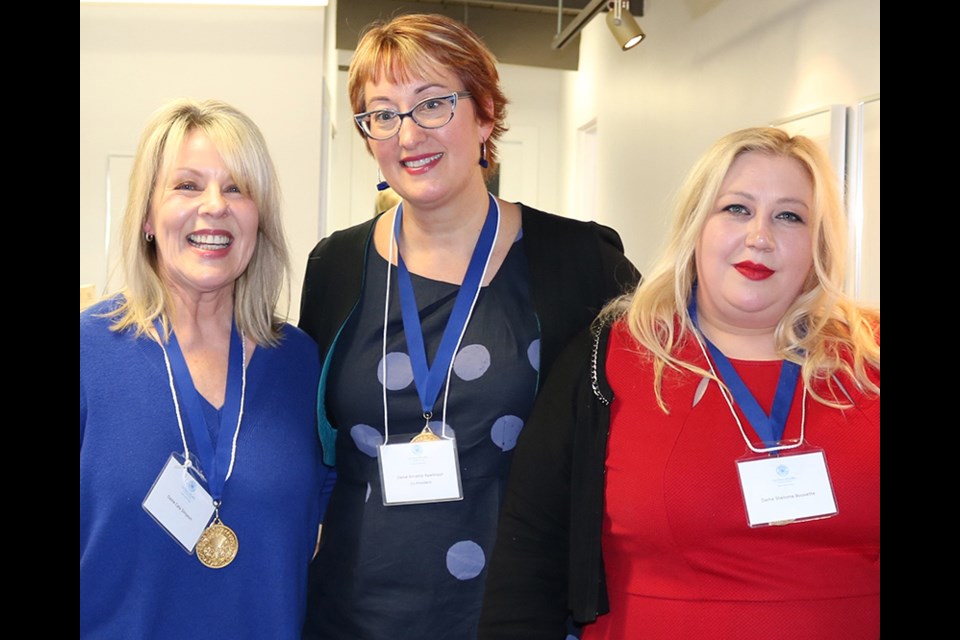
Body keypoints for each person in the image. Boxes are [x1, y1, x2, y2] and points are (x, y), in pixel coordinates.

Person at [298, 13, 639, 640]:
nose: (408, 134)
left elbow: (642, 417)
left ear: (484, 113)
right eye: (383, 113)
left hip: (515, 613)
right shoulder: (336, 265)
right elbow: (316, 443)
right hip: (352, 612)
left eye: (432, 104)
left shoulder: (579, 262)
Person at [480, 127, 880, 639]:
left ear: (818, 243)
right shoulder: (610, 359)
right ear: (696, 226)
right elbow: (529, 559)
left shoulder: (867, 356)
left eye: (790, 215)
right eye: (736, 208)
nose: (761, 236)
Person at [80, 98, 334, 638]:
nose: (215, 206)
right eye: (188, 185)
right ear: (148, 216)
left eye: (237, 188)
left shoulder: (299, 363)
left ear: (258, 218)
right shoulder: (88, 353)